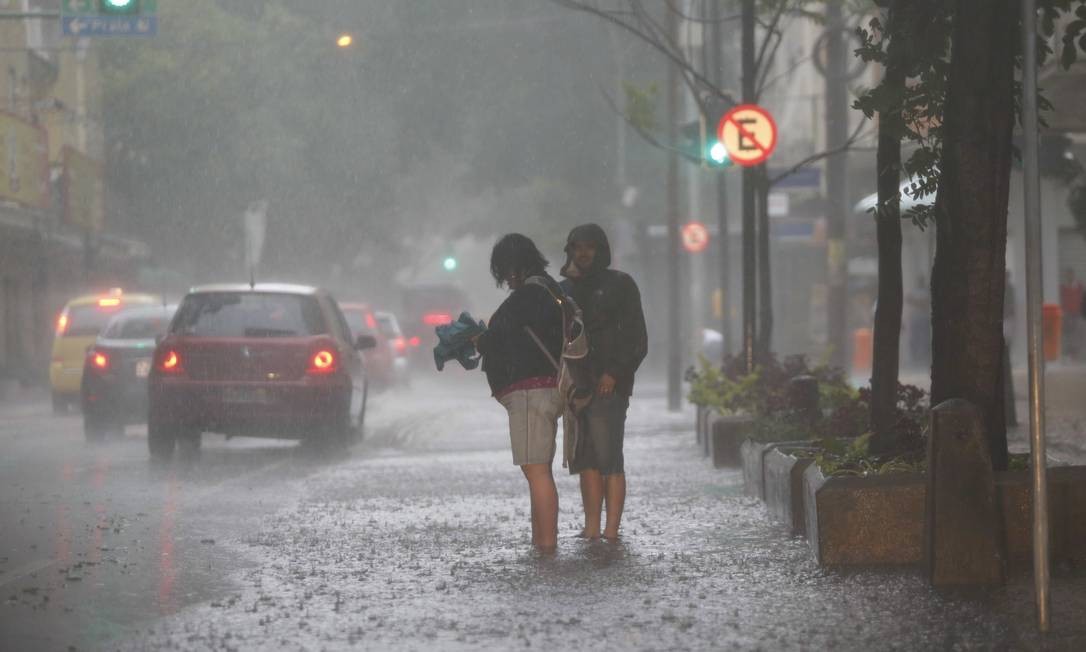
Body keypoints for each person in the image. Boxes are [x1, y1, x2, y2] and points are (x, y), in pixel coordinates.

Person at [474, 234, 565, 553]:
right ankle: (541, 540)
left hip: (530, 392)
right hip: (550, 388)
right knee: (537, 468)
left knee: (537, 470)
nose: (506, 280)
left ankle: (546, 545)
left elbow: (494, 339)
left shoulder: (526, 298)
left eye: (504, 271)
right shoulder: (551, 290)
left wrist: (477, 339)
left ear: (511, 269)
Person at [560, 223, 647, 542]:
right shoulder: (564, 291)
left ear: (601, 249)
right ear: (569, 250)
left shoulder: (621, 284)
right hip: (576, 388)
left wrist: (615, 373)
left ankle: (611, 529)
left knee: (609, 457)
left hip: (610, 386)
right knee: (586, 460)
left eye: (589, 246)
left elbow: (637, 338)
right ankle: (592, 527)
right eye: (576, 246)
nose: (583, 253)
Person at [1060, 267, 1082, 359]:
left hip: (1076, 313)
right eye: (1068, 275)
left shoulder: (1079, 286)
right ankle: (1068, 354)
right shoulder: (1063, 287)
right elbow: (1062, 299)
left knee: (1075, 334)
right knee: (1067, 334)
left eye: (1071, 274)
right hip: (1066, 313)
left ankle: (1075, 354)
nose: (1070, 276)